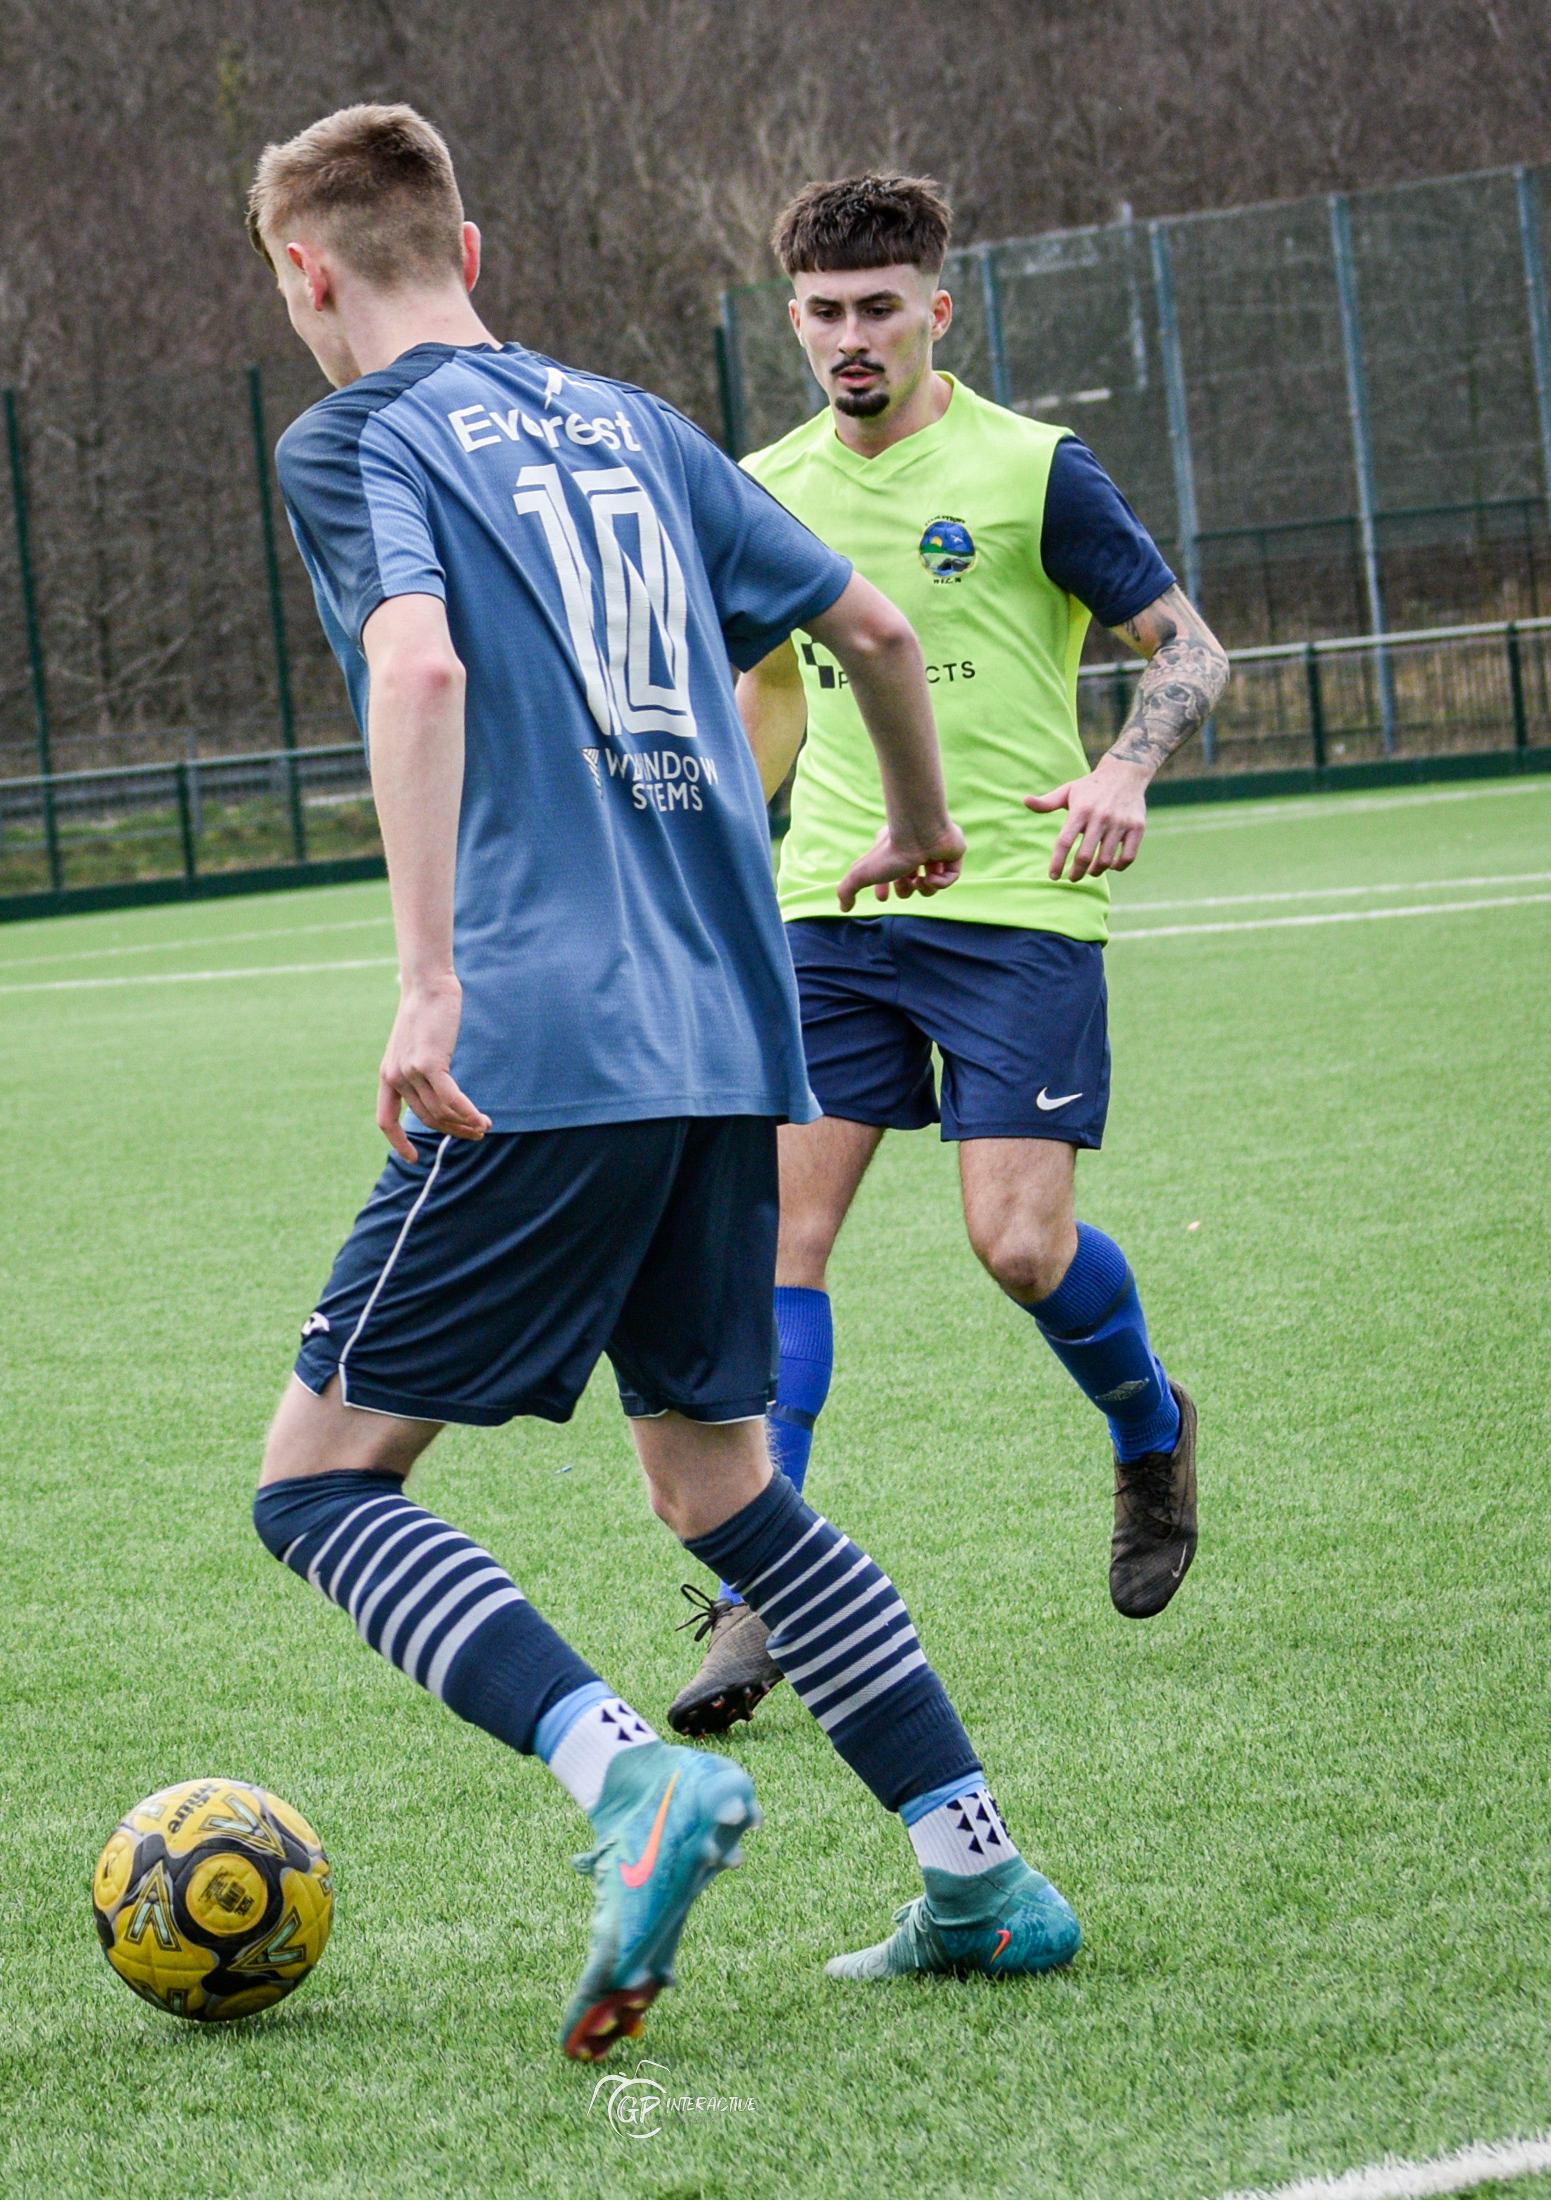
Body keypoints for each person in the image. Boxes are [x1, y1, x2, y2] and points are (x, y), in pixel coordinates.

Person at [245, 103, 1082, 2059]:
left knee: (318, 1487)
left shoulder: (352, 435)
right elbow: (869, 622)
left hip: (547, 1035)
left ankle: (626, 1767)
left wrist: (430, 976)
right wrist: (928, 821)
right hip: (732, 1029)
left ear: (305, 272)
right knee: (716, 1476)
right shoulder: (633, 417)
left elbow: (420, 672)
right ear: (480, 241)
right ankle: (980, 1874)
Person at [670, 172, 1229, 1739]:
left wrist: (1124, 769)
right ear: (793, 320)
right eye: (827, 314)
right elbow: (764, 692)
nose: (855, 338)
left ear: (937, 310)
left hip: (1017, 907)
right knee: (776, 1241)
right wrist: (719, 829)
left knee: (1021, 1250)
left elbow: (1191, 648)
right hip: (830, 916)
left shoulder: (1034, 468)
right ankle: (757, 1584)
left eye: (881, 308)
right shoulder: (762, 486)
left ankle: (1148, 1424)